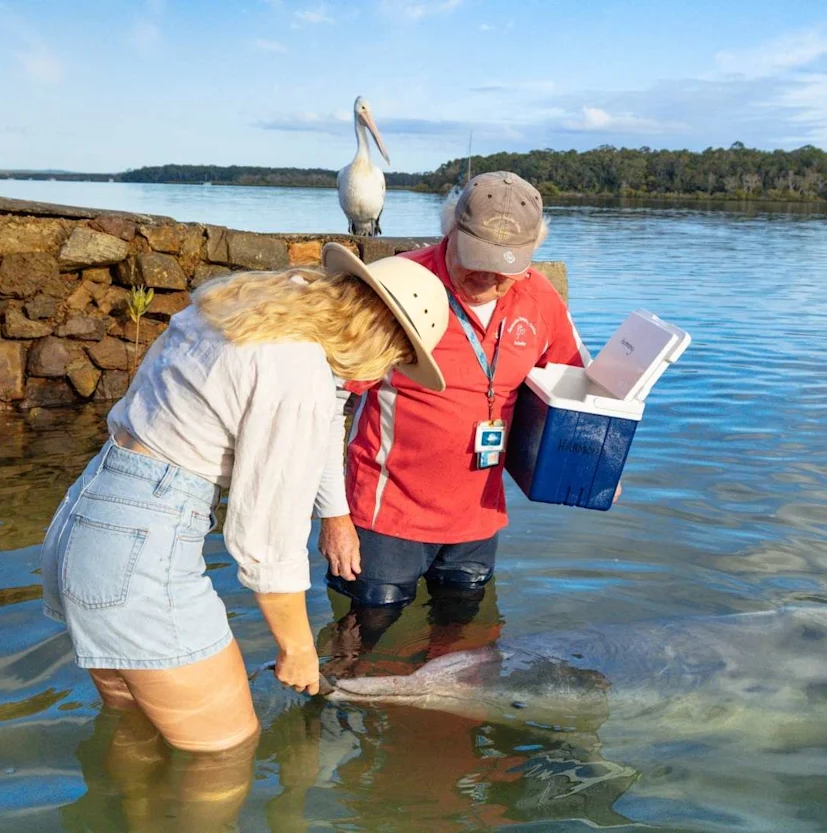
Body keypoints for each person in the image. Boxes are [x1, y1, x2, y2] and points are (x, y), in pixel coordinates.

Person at [40, 243, 449, 754]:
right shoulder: (297, 369)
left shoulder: (246, 308)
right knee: (226, 756)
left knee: (135, 730)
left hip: (84, 520)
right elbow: (266, 538)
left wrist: (335, 513)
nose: (387, 374)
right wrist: (298, 649)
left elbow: (322, 415)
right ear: (379, 336)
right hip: (141, 553)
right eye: (397, 358)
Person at [319, 171, 589, 653]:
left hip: (477, 520)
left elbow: (573, 389)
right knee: (362, 650)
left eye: (504, 268)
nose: (487, 278)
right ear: (450, 231)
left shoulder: (540, 298)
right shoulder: (397, 286)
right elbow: (324, 404)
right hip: (385, 518)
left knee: (465, 655)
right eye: (476, 260)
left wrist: (594, 457)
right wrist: (333, 516)